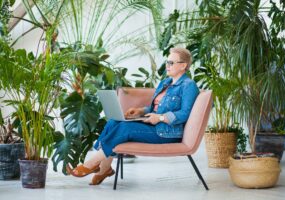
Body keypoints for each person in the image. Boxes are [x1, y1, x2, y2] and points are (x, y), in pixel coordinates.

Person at [66, 47, 199, 185]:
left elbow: (185, 114)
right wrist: (140, 111)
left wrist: (160, 118)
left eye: (171, 62)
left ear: (183, 65)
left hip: (166, 132)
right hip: (153, 125)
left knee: (125, 128)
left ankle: (91, 164)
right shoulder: (165, 83)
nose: (167, 66)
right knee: (113, 122)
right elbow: (154, 108)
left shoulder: (189, 86)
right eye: (167, 62)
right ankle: (104, 169)